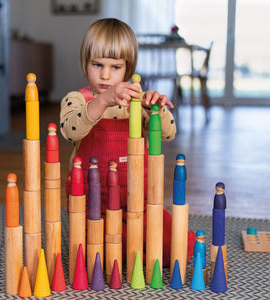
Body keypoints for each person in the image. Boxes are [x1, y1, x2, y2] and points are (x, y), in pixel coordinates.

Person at [60, 18, 195, 266]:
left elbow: (168, 134)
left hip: (137, 201)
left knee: (178, 243)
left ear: (128, 69)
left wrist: (157, 109)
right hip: (94, 204)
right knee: (100, 255)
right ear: (85, 63)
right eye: (97, 64)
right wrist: (102, 101)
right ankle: (127, 250)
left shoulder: (137, 100)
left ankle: (135, 248)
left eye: (115, 67)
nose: (105, 75)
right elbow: (70, 131)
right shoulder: (77, 99)